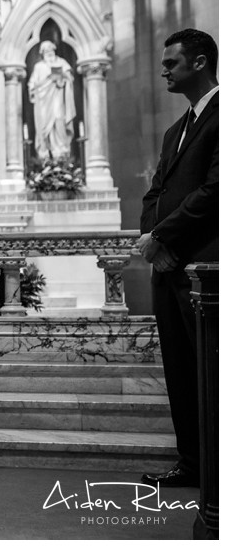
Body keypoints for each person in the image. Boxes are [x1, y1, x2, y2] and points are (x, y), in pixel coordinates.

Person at [138, 29, 218, 488]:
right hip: (169, 268)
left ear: (201, 62)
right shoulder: (177, 128)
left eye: (172, 63)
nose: (164, 70)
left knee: (210, 372)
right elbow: (156, 191)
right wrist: (154, 237)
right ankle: (192, 461)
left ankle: (216, 468)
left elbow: (214, 191)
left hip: (203, 269)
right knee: (180, 371)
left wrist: (164, 237)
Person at [28, 40, 77, 163]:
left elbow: (70, 78)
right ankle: (44, 153)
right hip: (44, 102)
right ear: (42, 53)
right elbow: (32, 85)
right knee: (44, 126)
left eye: (51, 50)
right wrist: (47, 79)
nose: (49, 53)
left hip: (58, 98)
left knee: (59, 121)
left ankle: (61, 151)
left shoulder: (62, 63)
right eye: (46, 51)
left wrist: (63, 77)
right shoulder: (39, 67)